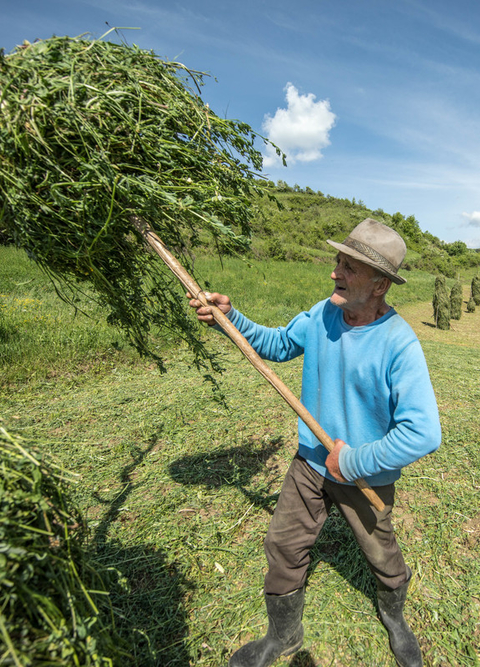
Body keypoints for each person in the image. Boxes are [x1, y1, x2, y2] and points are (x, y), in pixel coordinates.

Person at [189, 218, 441, 667]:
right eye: (338, 261)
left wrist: (356, 460)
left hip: (364, 473)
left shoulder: (399, 344)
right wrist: (231, 319)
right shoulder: (323, 313)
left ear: (380, 284)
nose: (335, 273)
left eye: (349, 267)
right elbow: (279, 343)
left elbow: (423, 432)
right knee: (284, 544)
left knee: (381, 553)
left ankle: (395, 618)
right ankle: (282, 637)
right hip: (310, 461)